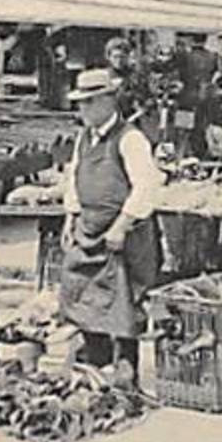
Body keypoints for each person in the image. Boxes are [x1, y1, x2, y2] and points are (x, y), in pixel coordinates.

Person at [58, 68, 165, 374]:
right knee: (84, 300)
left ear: (108, 100)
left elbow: (147, 185)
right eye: (80, 103)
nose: (83, 109)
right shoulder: (83, 139)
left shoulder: (130, 139)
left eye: (90, 102)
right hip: (88, 231)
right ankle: (96, 363)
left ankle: (125, 372)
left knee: (123, 306)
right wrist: (71, 216)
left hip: (123, 235)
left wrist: (121, 224)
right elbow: (74, 177)